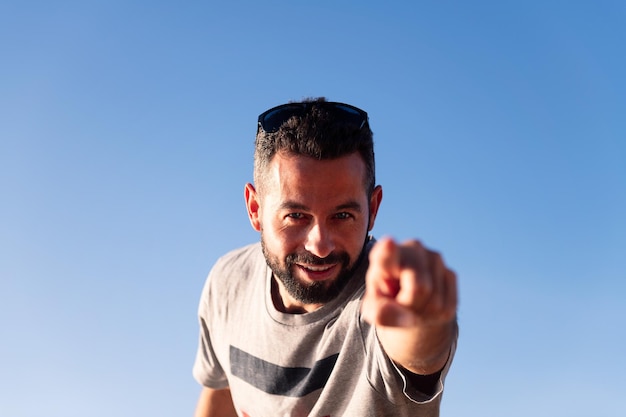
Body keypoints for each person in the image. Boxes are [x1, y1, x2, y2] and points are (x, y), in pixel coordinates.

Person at [192, 98, 458, 416]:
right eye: (296, 215)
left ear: (373, 210)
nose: (320, 246)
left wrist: (422, 321)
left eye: (342, 215)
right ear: (255, 209)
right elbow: (220, 393)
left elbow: (418, 353)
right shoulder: (228, 282)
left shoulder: (384, 296)